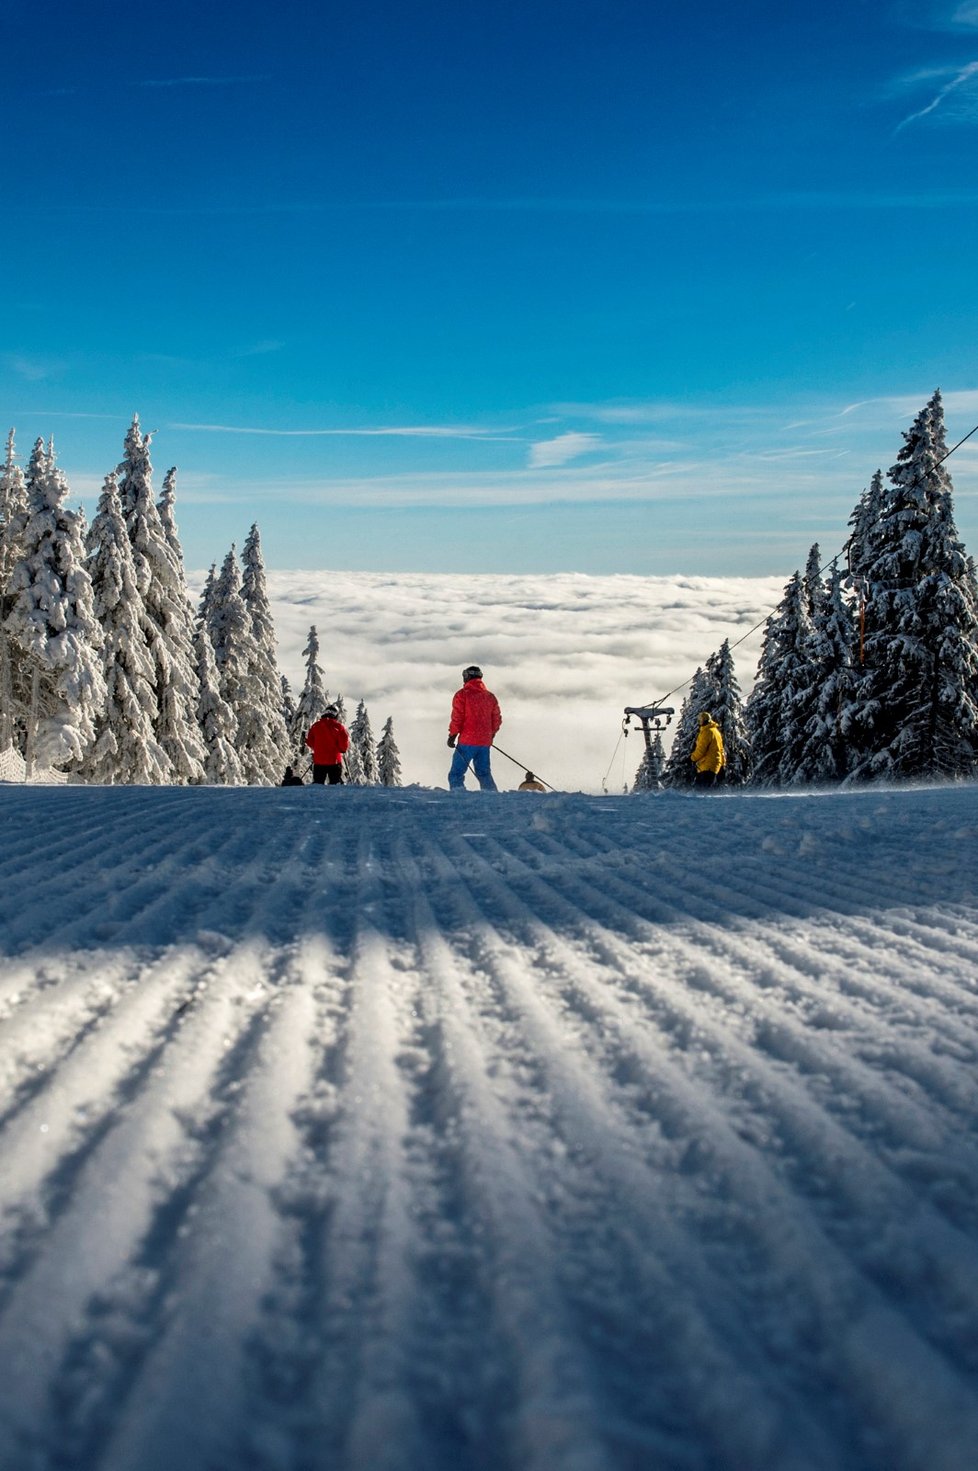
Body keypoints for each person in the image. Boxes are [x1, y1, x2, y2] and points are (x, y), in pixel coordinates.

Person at [447, 665, 501, 791]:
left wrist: (452, 735)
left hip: (467, 740)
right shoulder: (490, 697)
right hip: (484, 742)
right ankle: (492, 796)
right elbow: (496, 719)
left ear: (467, 676)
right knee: (484, 773)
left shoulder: (462, 695)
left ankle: (458, 797)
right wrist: (490, 734)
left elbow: (457, 717)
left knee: (456, 773)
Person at [306, 705, 350, 785]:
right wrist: (342, 749)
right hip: (334, 761)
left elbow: (310, 742)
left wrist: (318, 748)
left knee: (318, 784)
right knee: (335, 784)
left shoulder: (316, 726)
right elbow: (343, 745)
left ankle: (316, 797)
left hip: (319, 760)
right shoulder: (339, 727)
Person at [690, 710, 726, 789]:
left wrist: (692, 758)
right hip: (714, 765)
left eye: (700, 720)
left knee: (700, 790)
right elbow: (721, 750)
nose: (699, 723)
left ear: (703, 720)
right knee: (707, 789)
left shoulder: (707, 732)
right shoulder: (715, 731)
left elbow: (701, 749)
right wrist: (722, 764)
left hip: (707, 765)